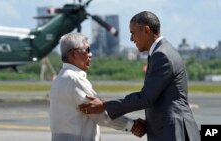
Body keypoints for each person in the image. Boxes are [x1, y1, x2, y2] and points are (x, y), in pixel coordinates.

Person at [79, 11, 201, 141]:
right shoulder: (161, 51)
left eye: (133, 33)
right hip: (168, 129)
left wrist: (104, 105)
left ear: (146, 30)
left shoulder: (162, 55)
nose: (132, 39)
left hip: (172, 131)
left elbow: (146, 98)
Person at [49, 32, 145, 141]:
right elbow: (99, 114)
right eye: (87, 50)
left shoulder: (60, 78)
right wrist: (131, 125)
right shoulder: (75, 79)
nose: (91, 55)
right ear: (72, 54)